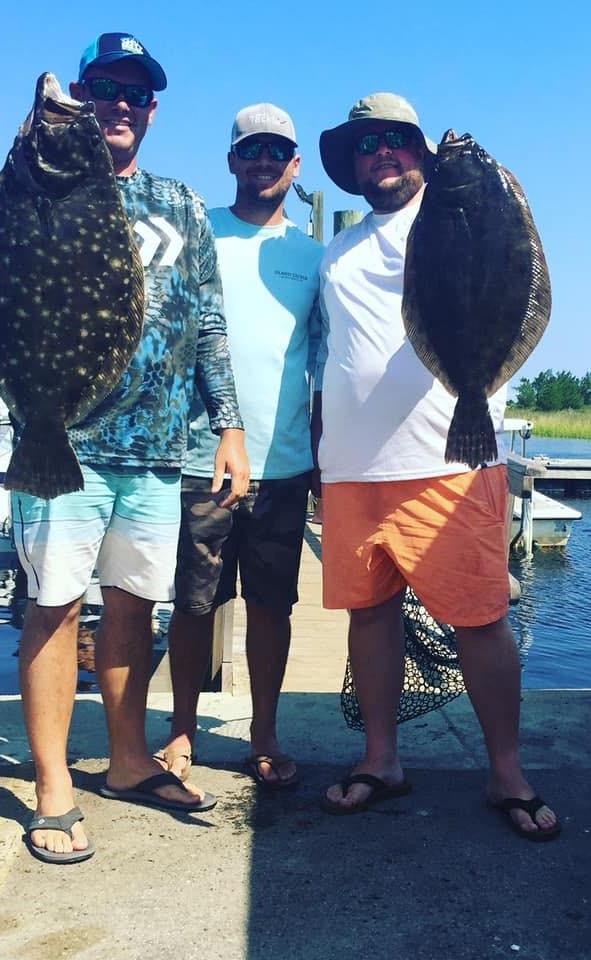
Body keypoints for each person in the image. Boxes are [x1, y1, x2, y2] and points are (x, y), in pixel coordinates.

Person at [10, 32, 249, 864]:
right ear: (81, 94)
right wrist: (37, 134)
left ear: (152, 110)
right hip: (59, 440)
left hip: (156, 448)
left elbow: (210, 319)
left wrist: (229, 424)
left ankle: (125, 760)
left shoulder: (181, 204)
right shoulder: (40, 188)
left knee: (132, 609)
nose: (119, 104)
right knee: (53, 607)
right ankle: (52, 784)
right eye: (104, 88)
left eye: (136, 94)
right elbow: (0, 284)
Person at [313, 93, 560, 839]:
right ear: (352, 165)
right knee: (370, 615)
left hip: (449, 458)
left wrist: (481, 169)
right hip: (353, 468)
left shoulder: (464, 211)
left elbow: (520, 259)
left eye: (396, 140)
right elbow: (333, 359)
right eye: (365, 145)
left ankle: (506, 771)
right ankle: (381, 758)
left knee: (480, 620)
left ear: (423, 153)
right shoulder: (336, 249)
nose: (380, 152)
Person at [155, 104, 322, 791]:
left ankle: (264, 732)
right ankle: (182, 730)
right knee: (195, 603)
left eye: (276, 150)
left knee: (272, 607)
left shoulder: (312, 255)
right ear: (230, 160)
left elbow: (333, 359)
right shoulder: (199, 236)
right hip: (201, 458)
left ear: (295, 165)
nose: (263, 161)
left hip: (283, 464)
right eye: (250, 149)